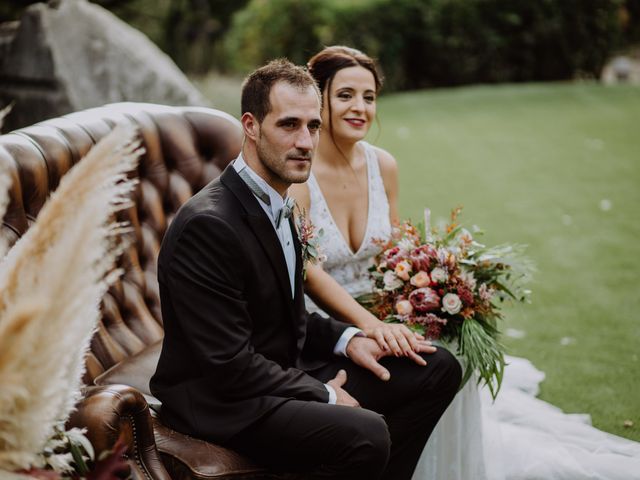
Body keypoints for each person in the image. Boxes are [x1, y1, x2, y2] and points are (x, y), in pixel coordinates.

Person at [290, 45, 640, 480]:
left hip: (381, 309)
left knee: (453, 344)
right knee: (425, 362)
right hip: (327, 326)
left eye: (369, 96)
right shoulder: (299, 175)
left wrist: (428, 292)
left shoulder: (383, 166)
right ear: (318, 97)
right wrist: (372, 325)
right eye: (345, 95)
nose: (360, 107)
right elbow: (306, 272)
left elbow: (396, 251)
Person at [149, 58, 462, 480]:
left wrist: (350, 340)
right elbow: (227, 365)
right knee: (366, 432)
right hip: (223, 401)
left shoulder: (281, 199)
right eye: (289, 125)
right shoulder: (209, 225)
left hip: (281, 369)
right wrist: (324, 395)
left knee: (437, 368)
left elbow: (287, 317)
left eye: (313, 126)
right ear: (251, 125)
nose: (305, 141)